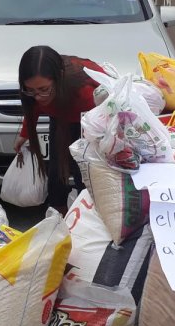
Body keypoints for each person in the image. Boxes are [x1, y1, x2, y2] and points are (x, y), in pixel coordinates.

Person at [12, 46, 106, 213]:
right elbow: (32, 108)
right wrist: (25, 134)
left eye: (43, 89)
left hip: (88, 121)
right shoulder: (35, 93)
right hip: (61, 118)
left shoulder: (84, 92)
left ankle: (87, 212)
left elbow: (102, 122)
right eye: (31, 91)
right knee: (55, 168)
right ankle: (57, 213)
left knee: (82, 171)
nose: (38, 97)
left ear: (58, 79)